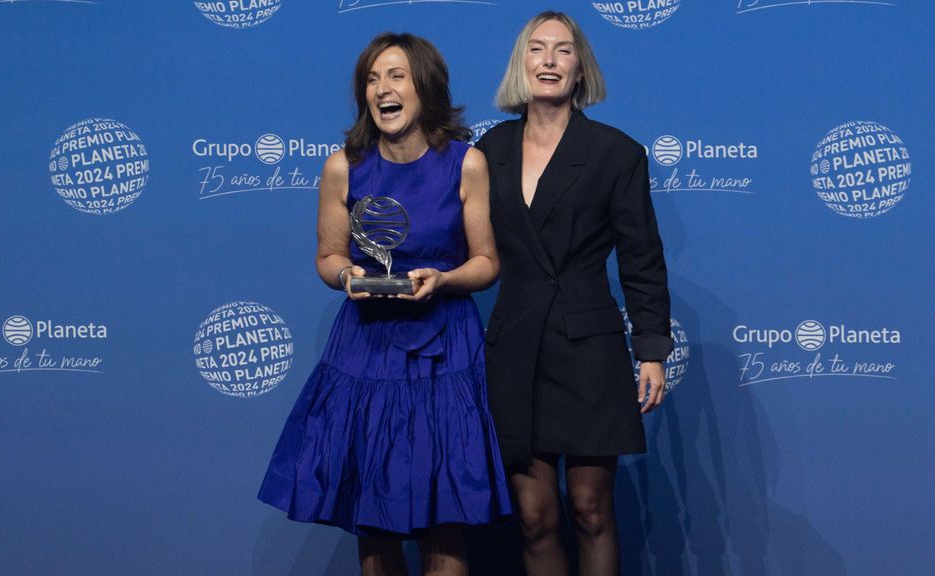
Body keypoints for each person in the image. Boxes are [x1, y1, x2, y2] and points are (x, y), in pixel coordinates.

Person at [258, 32, 511, 576]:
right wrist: (348, 275)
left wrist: (441, 280)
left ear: (424, 87)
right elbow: (327, 256)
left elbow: (487, 262)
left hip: (445, 351)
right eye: (372, 80)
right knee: (374, 522)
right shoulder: (342, 167)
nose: (382, 90)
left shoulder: (467, 163)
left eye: (395, 76)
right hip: (366, 352)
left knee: (445, 518)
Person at [475, 11, 672, 576]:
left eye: (563, 51)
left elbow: (643, 259)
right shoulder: (488, 151)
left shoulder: (616, 153)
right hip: (515, 347)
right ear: (522, 63)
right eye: (538, 49)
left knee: (589, 510)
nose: (549, 61)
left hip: (588, 349)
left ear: (580, 68)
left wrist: (652, 347)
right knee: (534, 517)